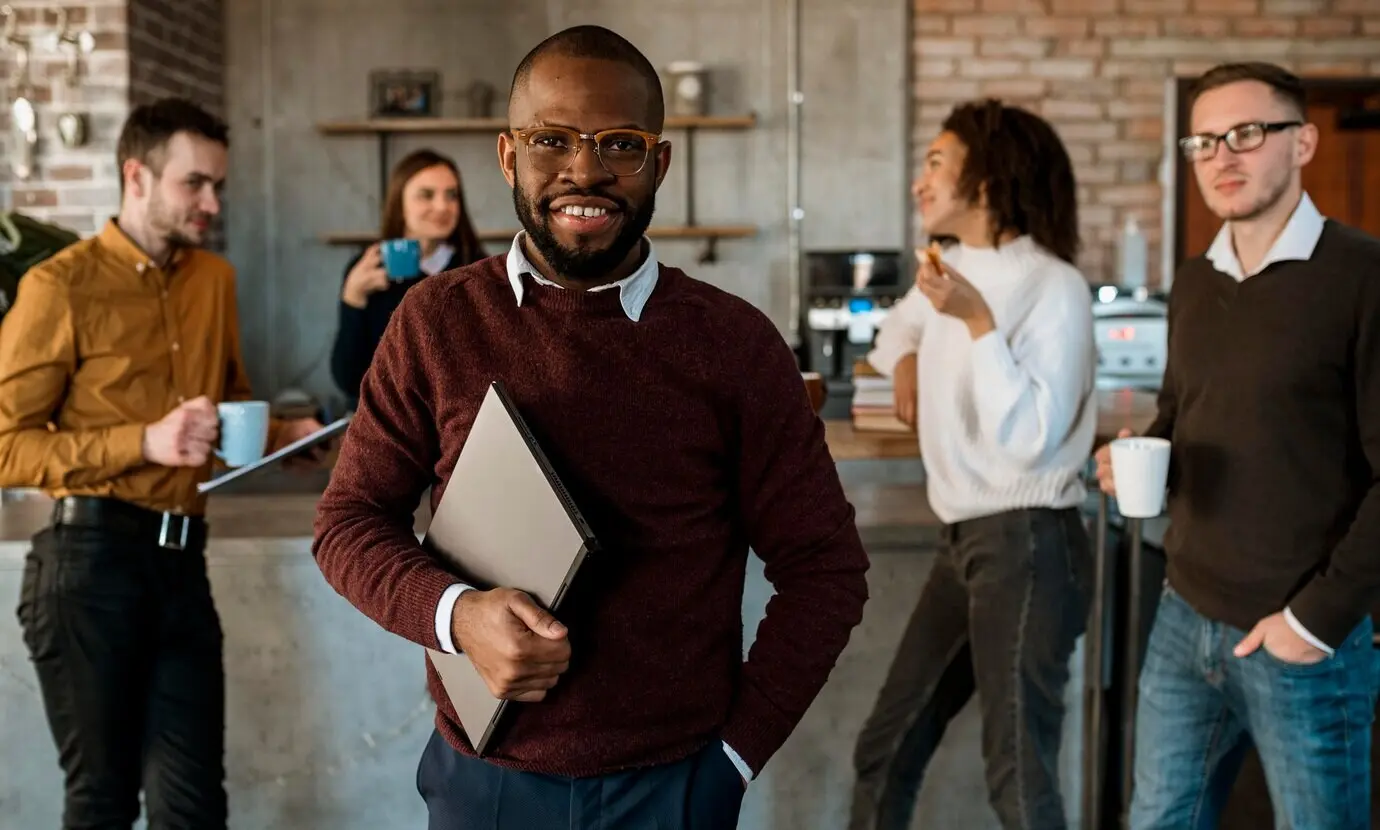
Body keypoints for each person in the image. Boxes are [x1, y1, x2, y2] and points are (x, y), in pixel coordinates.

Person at [312, 25, 870, 829]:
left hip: (674, 785)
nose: (584, 169)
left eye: (620, 143)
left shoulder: (736, 344)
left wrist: (734, 759)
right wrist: (457, 615)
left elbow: (825, 569)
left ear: (660, 164)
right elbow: (347, 523)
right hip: (483, 782)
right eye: (551, 140)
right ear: (508, 156)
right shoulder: (434, 321)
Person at [0, 98, 324, 829]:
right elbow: (6, 444)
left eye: (219, 186)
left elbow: (227, 414)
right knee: (103, 804)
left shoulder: (215, 280)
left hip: (181, 567)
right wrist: (140, 442)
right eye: (195, 184)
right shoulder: (60, 286)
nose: (212, 203)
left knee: (195, 809)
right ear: (136, 175)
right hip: (86, 568)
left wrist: (290, 437)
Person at [1093, 62, 1380, 830]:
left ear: (1303, 143)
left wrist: (1314, 622)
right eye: (1205, 141)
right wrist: (1137, 461)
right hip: (1184, 618)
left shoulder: (1364, 276)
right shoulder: (1193, 281)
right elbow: (1182, 415)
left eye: (1247, 134)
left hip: (1303, 638)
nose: (1222, 156)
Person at [848, 99, 1096, 830]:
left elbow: (1029, 439)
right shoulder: (950, 270)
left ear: (986, 185)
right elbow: (892, 333)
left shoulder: (1055, 288)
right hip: (964, 542)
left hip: (1029, 543)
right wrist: (910, 352)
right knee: (884, 749)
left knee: (1018, 780)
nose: (919, 182)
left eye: (935, 165)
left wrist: (978, 324)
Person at [330, 148, 483, 405]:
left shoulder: (478, 269)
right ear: (399, 202)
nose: (442, 206)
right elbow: (348, 379)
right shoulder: (368, 269)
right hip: (388, 418)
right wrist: (352, 299)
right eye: (426, 195)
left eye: (452, 195)